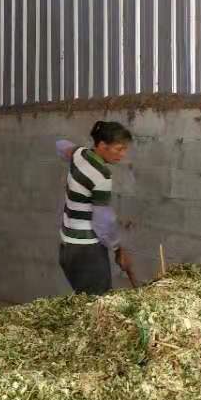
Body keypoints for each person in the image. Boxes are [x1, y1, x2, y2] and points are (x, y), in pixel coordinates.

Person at [57, 121, 134, 296]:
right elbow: (104, 222)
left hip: (67, 247)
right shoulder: (101, 176)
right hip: (87, 251)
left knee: (84, 300)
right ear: (101, 145)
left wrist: (71, 151)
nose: (123, 155)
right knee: (98, 305)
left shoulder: (79, 154)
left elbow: (60, 145)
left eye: (125, 149)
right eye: (119, 149)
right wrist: (117, 249)